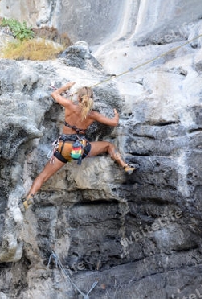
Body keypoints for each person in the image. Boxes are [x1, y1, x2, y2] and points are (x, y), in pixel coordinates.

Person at [22, 82, 134, 210]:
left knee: (43, 176)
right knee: (108, 145)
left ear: (78, 98)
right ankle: (124, 165)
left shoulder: (69, 106)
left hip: (63, 149)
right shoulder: (92, 114)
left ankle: (30, 197)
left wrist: (67, 86)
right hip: (79, 149)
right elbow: (114, 123)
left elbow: (54, 94)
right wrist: (116, 114)